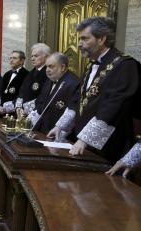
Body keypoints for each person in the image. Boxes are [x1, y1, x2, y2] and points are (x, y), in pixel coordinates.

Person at [48, 17, 140, 163]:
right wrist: (61, 126)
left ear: (101, 39)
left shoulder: (125, 65)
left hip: (110, 147)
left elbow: (114, 106)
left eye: (84, 39)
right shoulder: (90, 66)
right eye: (79, 39)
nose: (79, 44)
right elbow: (78, 99)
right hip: (82, 144)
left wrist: (85, 139)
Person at [27, 52, 79, 133]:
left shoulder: (74, 83)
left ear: (62, 67)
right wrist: (28, 122)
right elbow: (40, 102)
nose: (47, 70)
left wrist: (59, 128)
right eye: (46, 66)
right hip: (42, 130)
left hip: (58, 134)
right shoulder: (49, 81)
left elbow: (72, 112)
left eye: (51, 66)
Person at [15, 43, 50, 117]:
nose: (32, 58)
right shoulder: (30, 73)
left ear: (46, 57)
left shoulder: (49, 74)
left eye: (36, 56)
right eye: (32, 56)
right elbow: (21, 92)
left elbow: (45, 96)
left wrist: (26, 109)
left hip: (38, 115)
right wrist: (18, 108)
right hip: (23, 114)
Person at [0, 51, 29, 116]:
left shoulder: (27, 75)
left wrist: (6, 107)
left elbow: (24, 96)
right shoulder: (6, 74)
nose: (11, 60)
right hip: (0, 112)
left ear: (22, 61)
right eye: (10, 58)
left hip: (14, 114)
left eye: (14, 58)